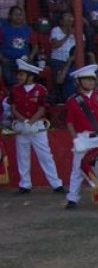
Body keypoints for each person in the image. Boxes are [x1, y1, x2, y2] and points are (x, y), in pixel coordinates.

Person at [10, 59, 64, 193]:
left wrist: (31, 122)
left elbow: (42, 108)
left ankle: (56, 184)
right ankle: (24, 184)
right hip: (21, 126)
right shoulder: (15, 89)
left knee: (45, 155)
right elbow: (13, 107)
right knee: (22, 155)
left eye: (22, 74)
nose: (19, 77)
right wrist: (24, 122)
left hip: (38, 127)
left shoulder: (41, 90)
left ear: (31, 76)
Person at [64, 64, 98, 208]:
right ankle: (72, 198)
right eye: (87, 80)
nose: (91, 82)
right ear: (79, 82)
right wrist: (75, 139)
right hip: (83, 138)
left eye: (92, 79)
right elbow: (69, 122)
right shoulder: (73, 100)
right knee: (78, 169)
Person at [1, 5, 36, 87]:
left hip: (23, 59)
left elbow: (35, 46)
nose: (18, 17)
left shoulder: (28, 29)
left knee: (29, 72)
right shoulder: (3, 29)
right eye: (16, 15)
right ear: (10, 16)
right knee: (9, 77)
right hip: (8, 59)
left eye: (20, 14)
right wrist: (2, 58)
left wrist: (31, 56)